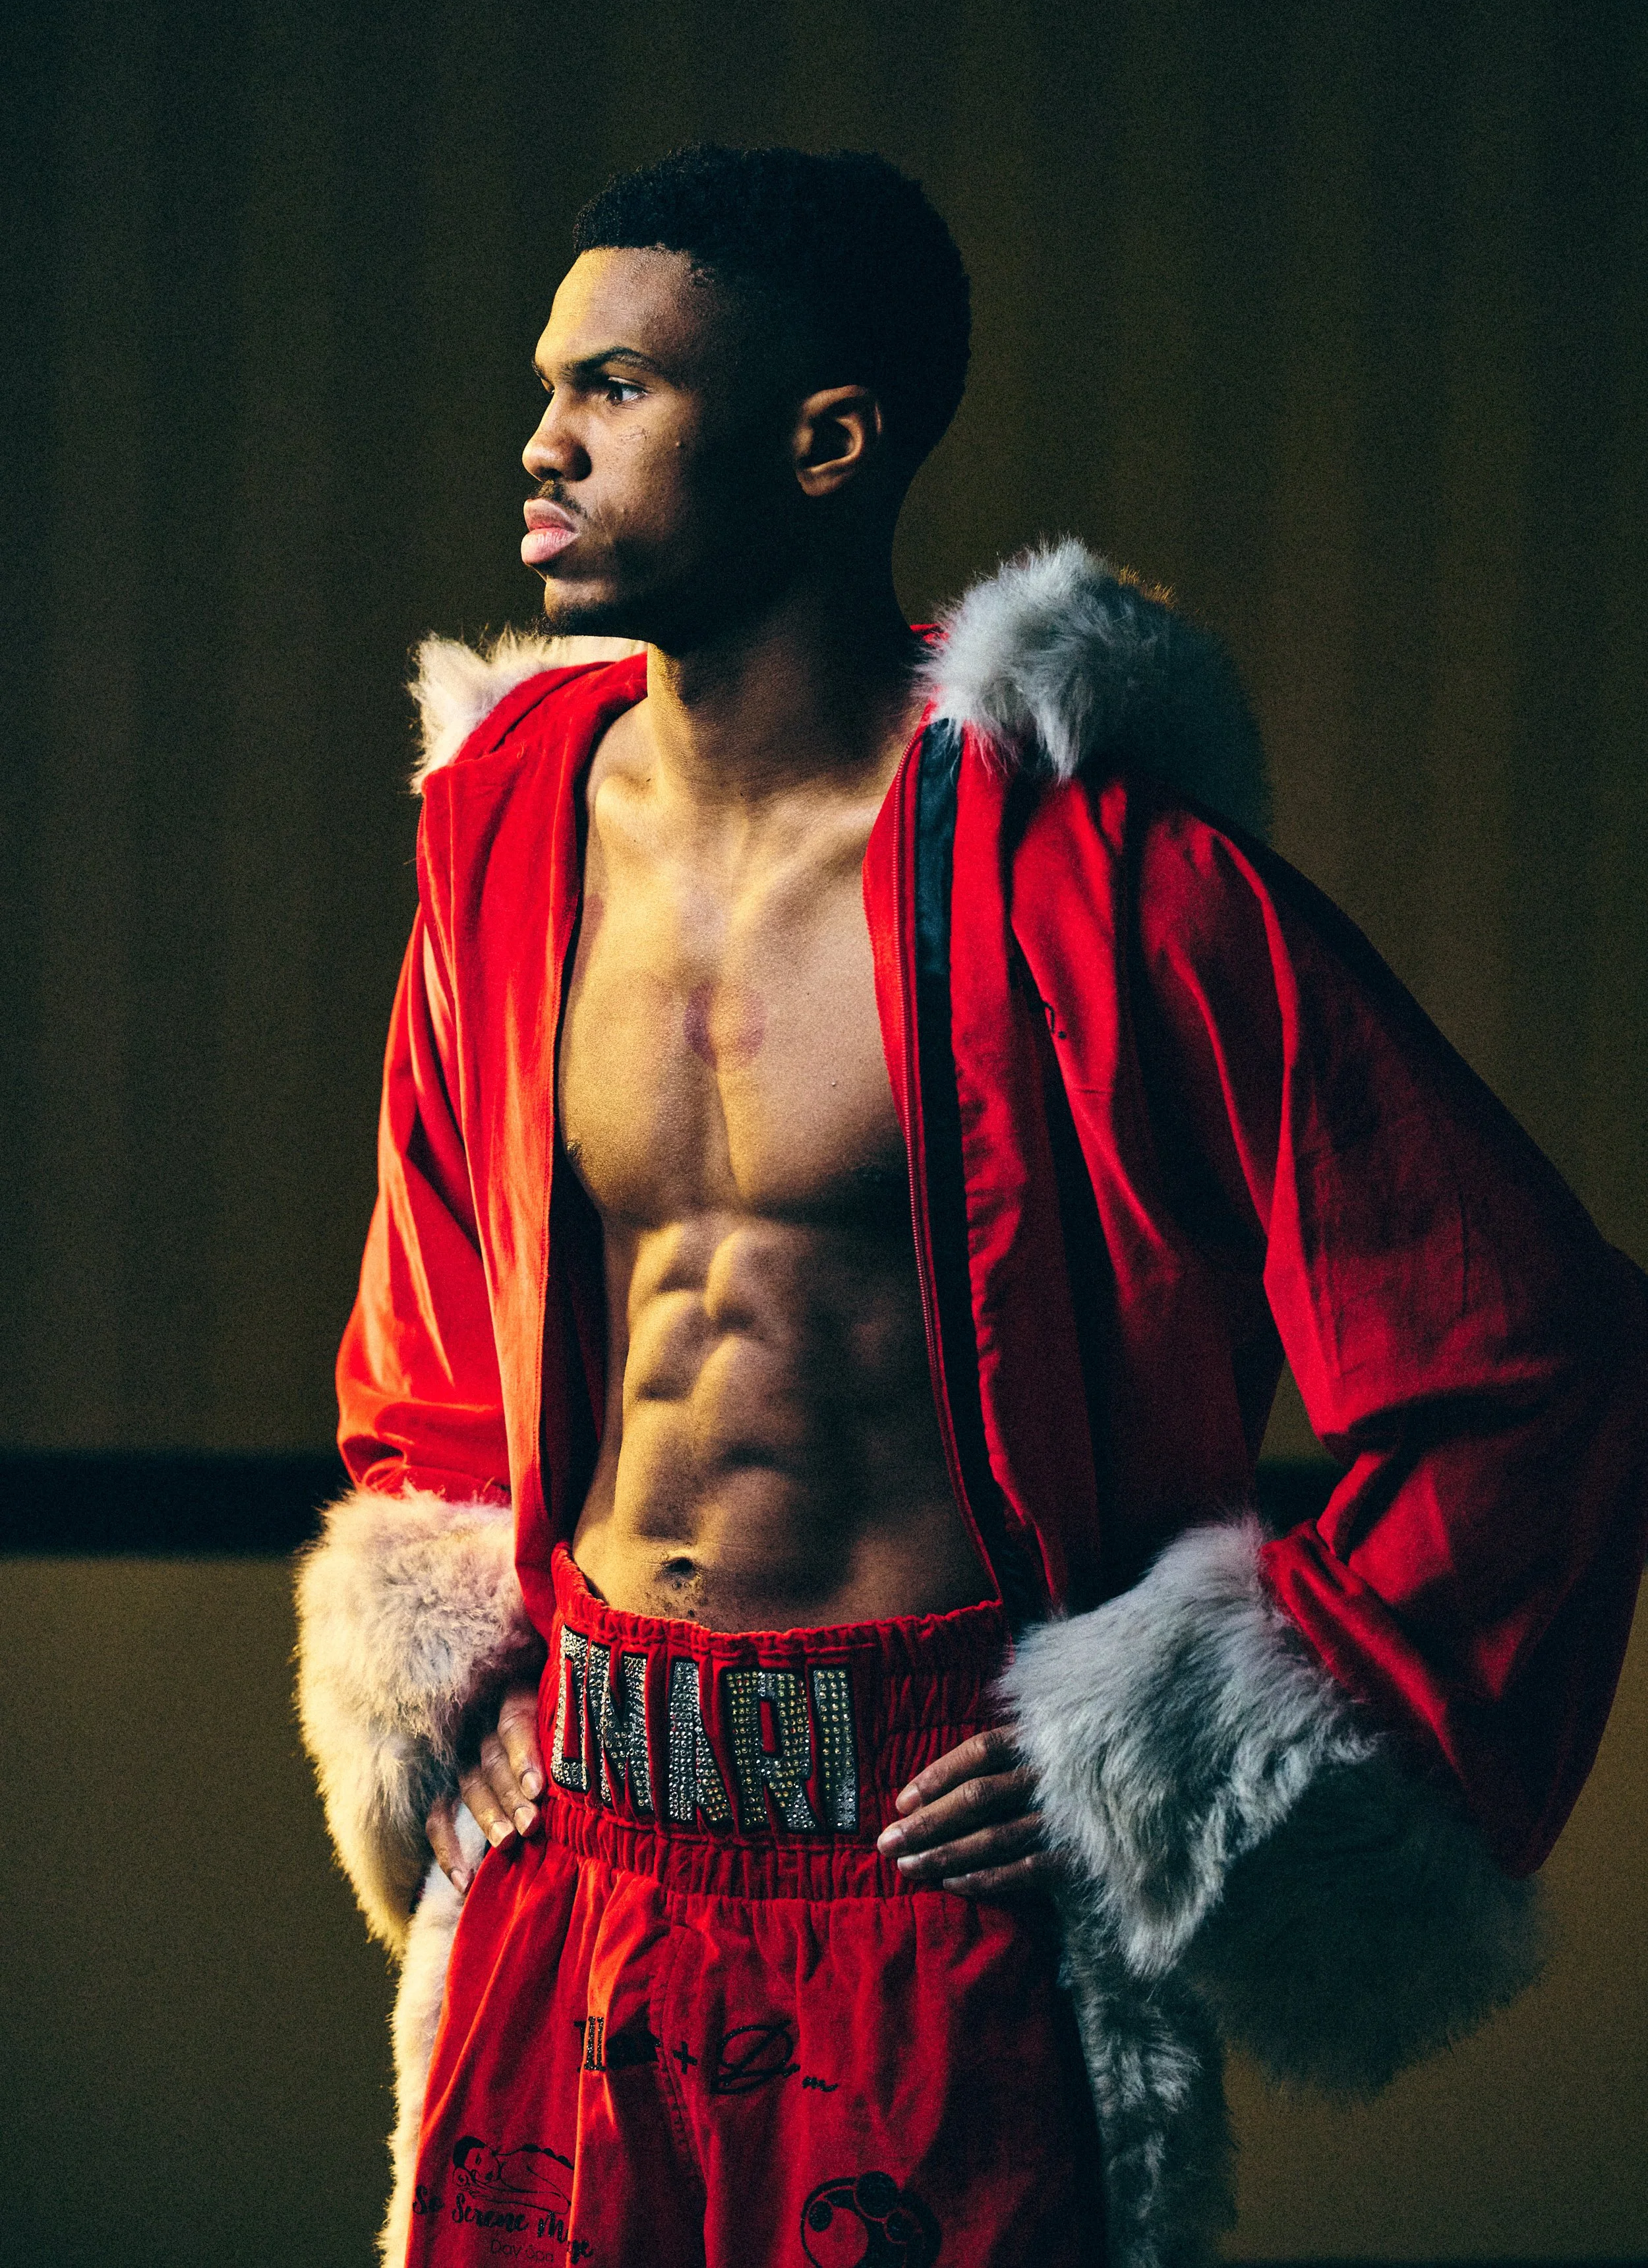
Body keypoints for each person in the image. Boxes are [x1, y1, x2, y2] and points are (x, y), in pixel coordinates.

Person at [297, 145, 1648, 2268]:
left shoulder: (1086, 874)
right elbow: (436, 1319)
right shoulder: (501, 832)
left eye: (620, 387)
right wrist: (444, 1657)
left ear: (827, 444)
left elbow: (1523, 1342)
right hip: (582, 1860)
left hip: (937, 1880)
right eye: (547, 382)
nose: (540, 443)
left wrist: (1184, 1733)